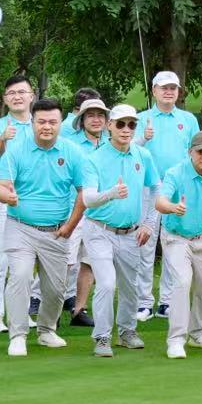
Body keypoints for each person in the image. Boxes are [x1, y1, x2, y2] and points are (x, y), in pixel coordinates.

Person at [0, 97, 106, 357]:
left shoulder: (72, 152)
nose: (47, 127)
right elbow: (0, 186)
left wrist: (70, 226)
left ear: (60, 123)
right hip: (20, 227)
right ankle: (18, 334)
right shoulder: (16, 150)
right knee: (20, 276)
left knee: (55, 288)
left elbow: (84, 193)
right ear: (32, 122)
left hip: (56, 230)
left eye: (52, 122)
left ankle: (46, 330)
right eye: (41, 122)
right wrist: (6, 196)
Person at [82, 104, 162, 357]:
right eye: (120, 124)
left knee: (130, 285)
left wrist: (149, 223)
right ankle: (102, 336)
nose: (126, 129)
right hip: (99, 230)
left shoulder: (142, 155)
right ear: (109, 126)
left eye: (131, 124)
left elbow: (157, 188)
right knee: (106, 283)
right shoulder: (94, 159)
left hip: (130, 232)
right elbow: (88, 199)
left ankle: (127, 331)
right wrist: (111, 194)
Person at [153, 130, 202, 359]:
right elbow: (160, 202)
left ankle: (198, 332)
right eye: (201, 152)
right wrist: (173, 207)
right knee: (182, 282)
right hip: (176, 237)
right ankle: (176, 340)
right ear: (190, 152)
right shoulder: (175, 173)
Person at [135, 70, 197, 322]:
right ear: (154, 91)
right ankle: (143, 303)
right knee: (145, 245)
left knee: (173, 244)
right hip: (148, 187)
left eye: (173, 88)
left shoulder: (188, 119)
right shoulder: (141, 119)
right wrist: (143, 138)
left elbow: (195, 152)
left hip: (177, 189)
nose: (169, 92)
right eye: (164, 88)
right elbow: (127, 149)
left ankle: (167, 302)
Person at [0, 71, 37, 333]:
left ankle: (22, 313)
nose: (17, 97)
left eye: (22, 92)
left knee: (27, 258)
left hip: (35, 196)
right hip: (6, 194)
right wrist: (4, 137)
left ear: (31, 96)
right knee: (0, 255)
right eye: (12, 93)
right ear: (4, 99)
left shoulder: (40, 123)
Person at [65, 94, 111, 328]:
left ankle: (79, 310)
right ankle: (49, 308)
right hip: (73, 208)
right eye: (90, 115)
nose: (96, 119)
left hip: (100, 212)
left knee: (89, 261)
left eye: (100, 115)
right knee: (66, 262)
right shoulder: (70, 144)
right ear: (81, 120)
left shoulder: (111, 144)